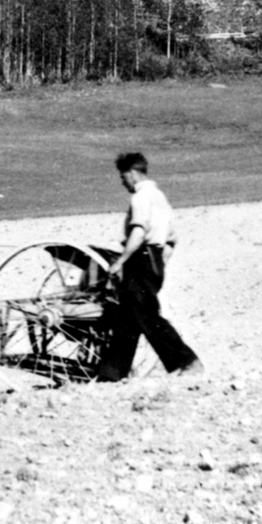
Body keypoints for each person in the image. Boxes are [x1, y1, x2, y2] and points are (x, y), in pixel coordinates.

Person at [97, 151, 202, 381]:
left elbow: (138, 231)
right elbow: (172, 237)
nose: (122, 181)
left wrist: (121, 261)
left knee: (146, 316)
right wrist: (159, 260)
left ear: (132, 173)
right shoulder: (160, 197)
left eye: (122, 176)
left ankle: (187, 361)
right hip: (153, 260)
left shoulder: (140, 198)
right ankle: (111, 375)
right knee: (127, 319)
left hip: (140, 259)